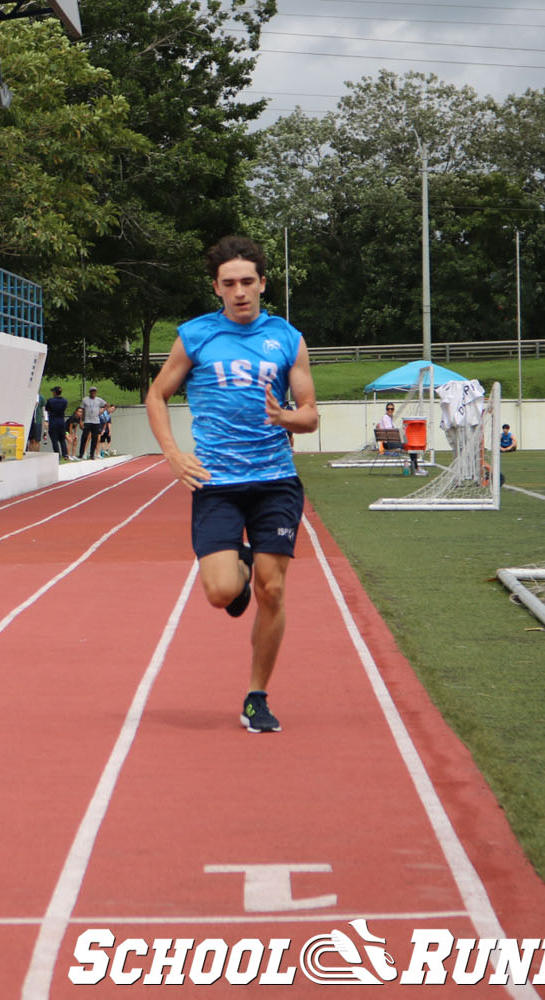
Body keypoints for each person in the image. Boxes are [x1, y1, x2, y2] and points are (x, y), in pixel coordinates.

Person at [145, 235, 319, 734]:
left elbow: (310, 416)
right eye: (229, 284)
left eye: (248, 282)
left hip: (274, 482)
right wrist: (174, 455)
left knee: (273, 590)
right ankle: (239, 563)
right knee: (222, 593)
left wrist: (286, 415)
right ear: (216, 288)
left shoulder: (287, 337)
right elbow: (157, 395)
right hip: (216, 482)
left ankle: (256, 696)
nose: (239, 291)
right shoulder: (196, 335)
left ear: (263, 283)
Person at [376, 401, 421, 473]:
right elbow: (390, 432)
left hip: (389, 442)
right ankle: (416, 468)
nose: (390, 410)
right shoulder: (386, 418)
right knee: (410, 446)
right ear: (386, 410)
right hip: (389, 443)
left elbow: (380, 426)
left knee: (410, 445)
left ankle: (415, 467)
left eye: (392, 409)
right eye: (388, 409)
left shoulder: (388, 418)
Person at [78, 386, 110, 460]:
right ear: (90, 392)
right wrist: (81, 421)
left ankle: (92, 454)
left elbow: (107, 405)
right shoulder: (85, 400)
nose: (93, 393)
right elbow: (82, 410)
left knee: (95, 439)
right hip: (87, 421)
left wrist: (103, 410)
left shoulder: (99, 400)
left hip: (96, 421)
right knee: (84, 438)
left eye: (94, 391)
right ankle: (81, 454)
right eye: (92, 391)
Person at [44, 385, 69, 461]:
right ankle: (65, 455)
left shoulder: (50, 401)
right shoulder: (65, 401)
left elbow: (47, 408)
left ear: (55, 392)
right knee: (62, 440)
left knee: (54, 440)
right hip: (61, 422)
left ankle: (57, 456)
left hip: (53, 422)